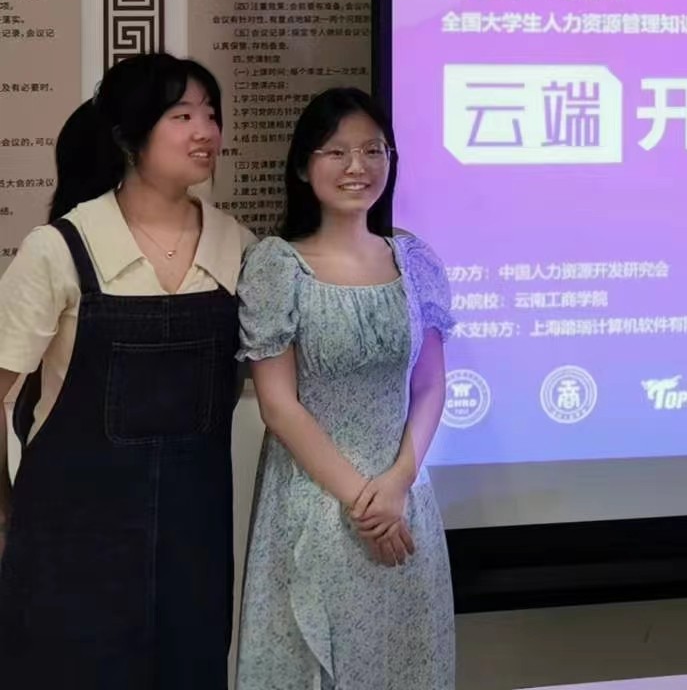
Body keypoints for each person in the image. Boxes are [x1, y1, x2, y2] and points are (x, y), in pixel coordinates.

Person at [0, 52, 253, 688]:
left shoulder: (239, 247)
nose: (206, 131)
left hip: (193, 546)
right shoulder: (61, 247)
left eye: (212, 114)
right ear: (128, 136)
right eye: (182, 116)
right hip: (68, 541)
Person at [236, 87, 455, 690]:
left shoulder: (415, 260)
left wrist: (398, 482)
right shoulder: (277, 265)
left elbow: (431, 385)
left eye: (373, 150)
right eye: (336, 152)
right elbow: (279, 407)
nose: (357, 166)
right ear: (303, 166)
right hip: (314, 501)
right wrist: (365, 502)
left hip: (403, 502)